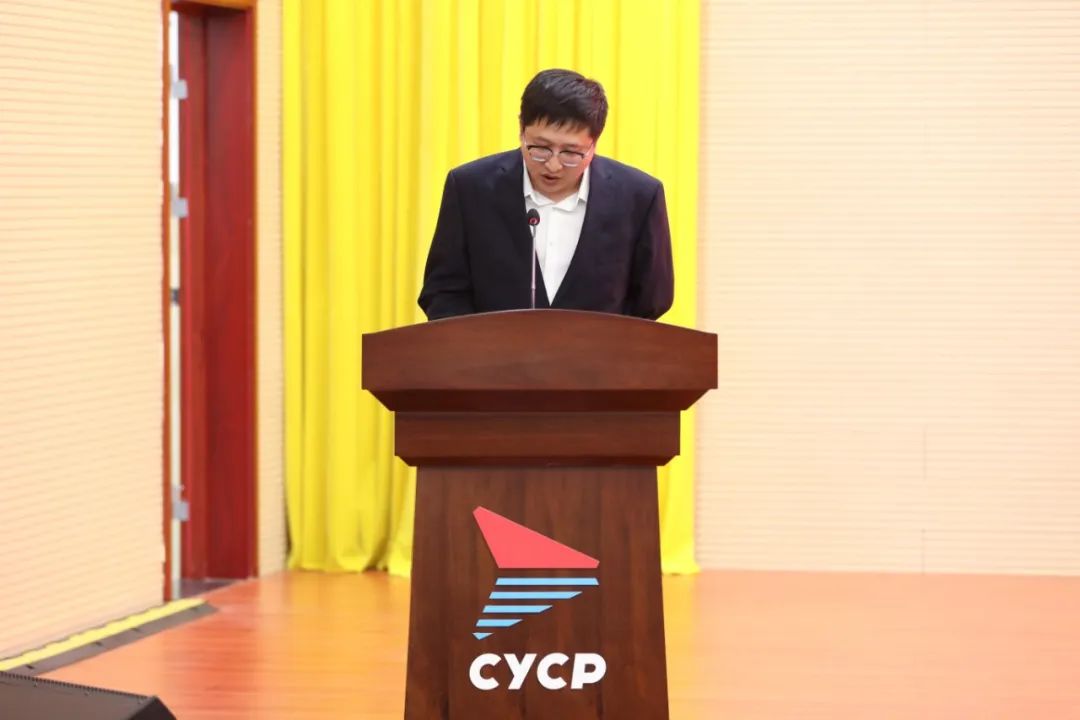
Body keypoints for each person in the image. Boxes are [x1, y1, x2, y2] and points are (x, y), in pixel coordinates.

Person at [417, 68, 674, 321]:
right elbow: (443, 291)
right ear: (521, 129)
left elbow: (652, 300)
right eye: (540, 148)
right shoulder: (471, 188)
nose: (553, 165)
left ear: (594, 144)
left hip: (599, 349)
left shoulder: (639, 197)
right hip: (489, 349)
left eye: (570, 153)